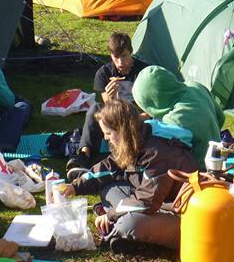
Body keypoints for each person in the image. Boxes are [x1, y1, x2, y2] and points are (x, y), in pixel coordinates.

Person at [67, 99, 198, 253]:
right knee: (108, 188)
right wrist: (74, 187)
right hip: (154, 203)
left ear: (122, 129)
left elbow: (146, 201)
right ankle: (124, 228)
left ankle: (122, 232)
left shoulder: (159, 151)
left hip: (180, 215)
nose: (106, 138)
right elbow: (109, 167)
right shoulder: (134, 139)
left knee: (130, 223)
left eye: (108, 133)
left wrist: (111, 215)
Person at [66, 32, 149, 180]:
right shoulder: (104, 73)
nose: (120, 62)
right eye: (116, 57)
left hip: (138, 117)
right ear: (110, 55)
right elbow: (110, 111)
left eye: (124, 56)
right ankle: (84, 156)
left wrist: (137, 117)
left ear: (131, 52)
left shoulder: (144, 72)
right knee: (94, 109)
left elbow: (152, 108)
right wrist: (112, 97)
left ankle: (126, 162)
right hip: (117, 117)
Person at [132, 65, 224, 165]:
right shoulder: (195, 86)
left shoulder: (173, 121)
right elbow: (221, 117)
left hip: (200, 170)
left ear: (153, 102)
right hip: (217, 153)